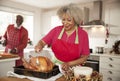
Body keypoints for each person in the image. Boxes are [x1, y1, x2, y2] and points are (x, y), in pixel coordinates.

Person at [35, 4, 90, 71]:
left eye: (69, 20)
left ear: (76, 20)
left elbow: (84, 57)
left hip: (74, 68)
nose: (65, 23)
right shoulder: (56, 30)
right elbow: (42, 42)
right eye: (63, 19)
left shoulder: (83, 34)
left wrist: (69, 64)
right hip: (55, 65)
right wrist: (39, 45)